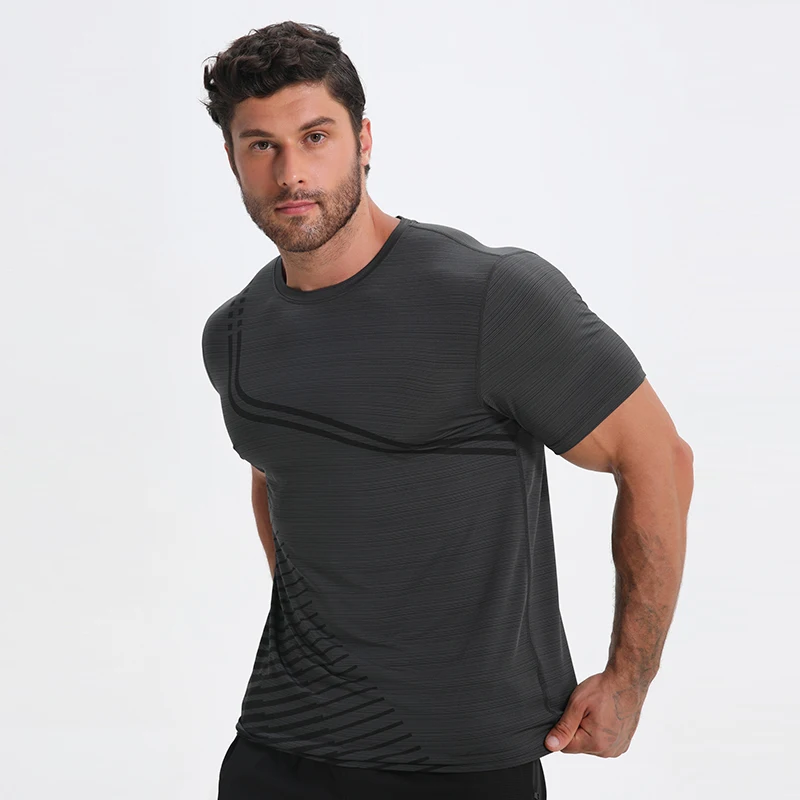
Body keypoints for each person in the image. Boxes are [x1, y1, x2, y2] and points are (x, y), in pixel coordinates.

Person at [200, 21, 694, 800]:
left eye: (316, 136)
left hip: (464, 763)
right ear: (233, 159)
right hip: (278, 751)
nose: (291, 172)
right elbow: (277, 476)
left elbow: (658, 458)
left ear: (363, 141)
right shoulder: (234, 335)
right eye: (261, 145)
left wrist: (630, 681)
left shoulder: (489, 298)